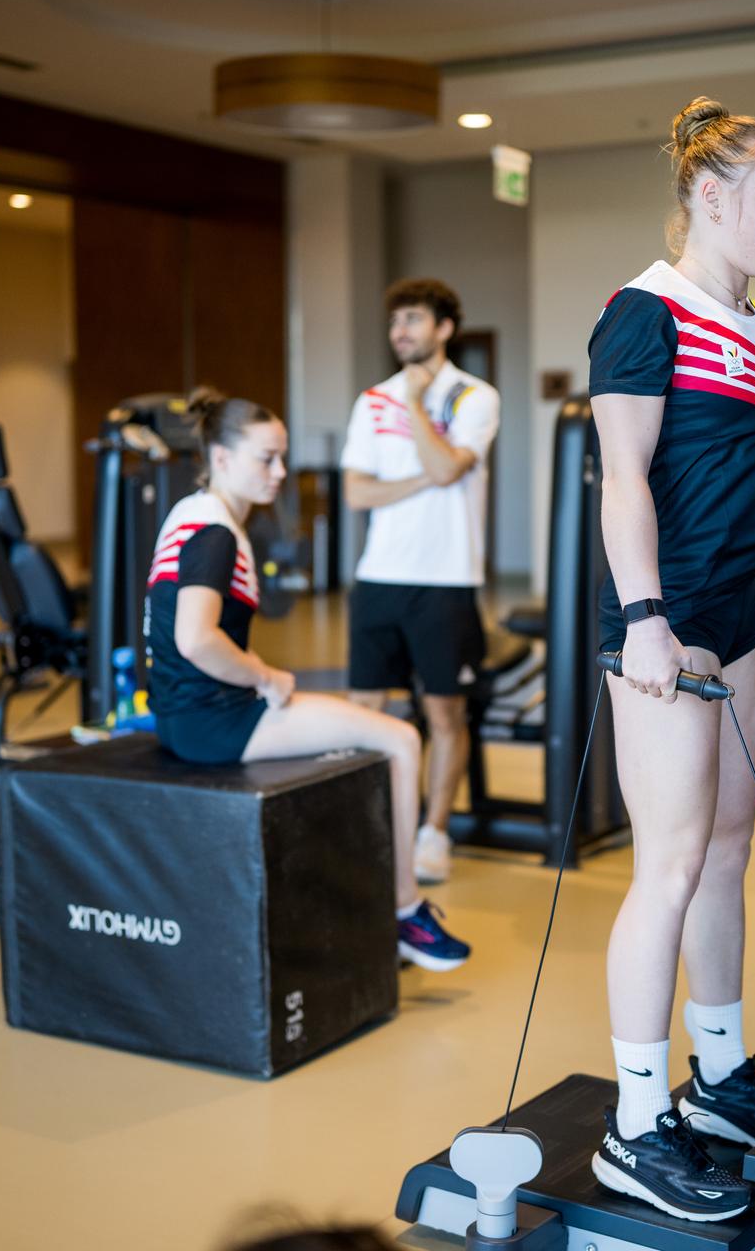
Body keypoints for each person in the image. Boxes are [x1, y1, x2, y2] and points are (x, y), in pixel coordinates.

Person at [585, 97, 755, 1221]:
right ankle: (636, 1126)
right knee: (669, 865)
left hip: (736, 613)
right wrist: (642, 619)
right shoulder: (646, 313)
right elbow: (625, 475)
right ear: (711, 198)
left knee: (728, 848)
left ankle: (717, 1074)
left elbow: (742, 482)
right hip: (664, 621)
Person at [144, 387, 471, 972]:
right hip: (213, 723)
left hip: (188, 715)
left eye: (282, 457)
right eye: (265, 459)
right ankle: (404, 911)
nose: (280, 471)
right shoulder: (214, 531)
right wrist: (264, 676)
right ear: (221, 458)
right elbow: (195, 639)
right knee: (401, 739)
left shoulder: (193, 513)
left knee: (362, 728)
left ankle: (381, 899)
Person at [340, 278, 503, 885]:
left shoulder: (474, 396)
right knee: (364, 711)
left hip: (446, 581)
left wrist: (414, 406)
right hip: (379, 578)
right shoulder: (370, 400)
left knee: (444, 713)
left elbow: (447, 465)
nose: (400, 332)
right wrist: (424, 478)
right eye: (394, 323)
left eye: (412, 320)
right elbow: (356, 493)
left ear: (444, 328)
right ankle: (369, 822)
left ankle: (434, 833)